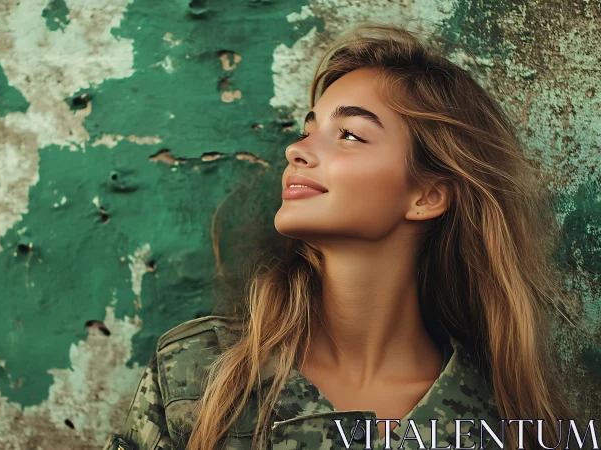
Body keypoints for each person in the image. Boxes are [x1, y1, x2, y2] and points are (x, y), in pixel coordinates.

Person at [102, 22, 586, 450]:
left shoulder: (503, 421)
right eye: (307, 130)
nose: (296, 150)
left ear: (428, 196)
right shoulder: (197, 373)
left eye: (349, 134)